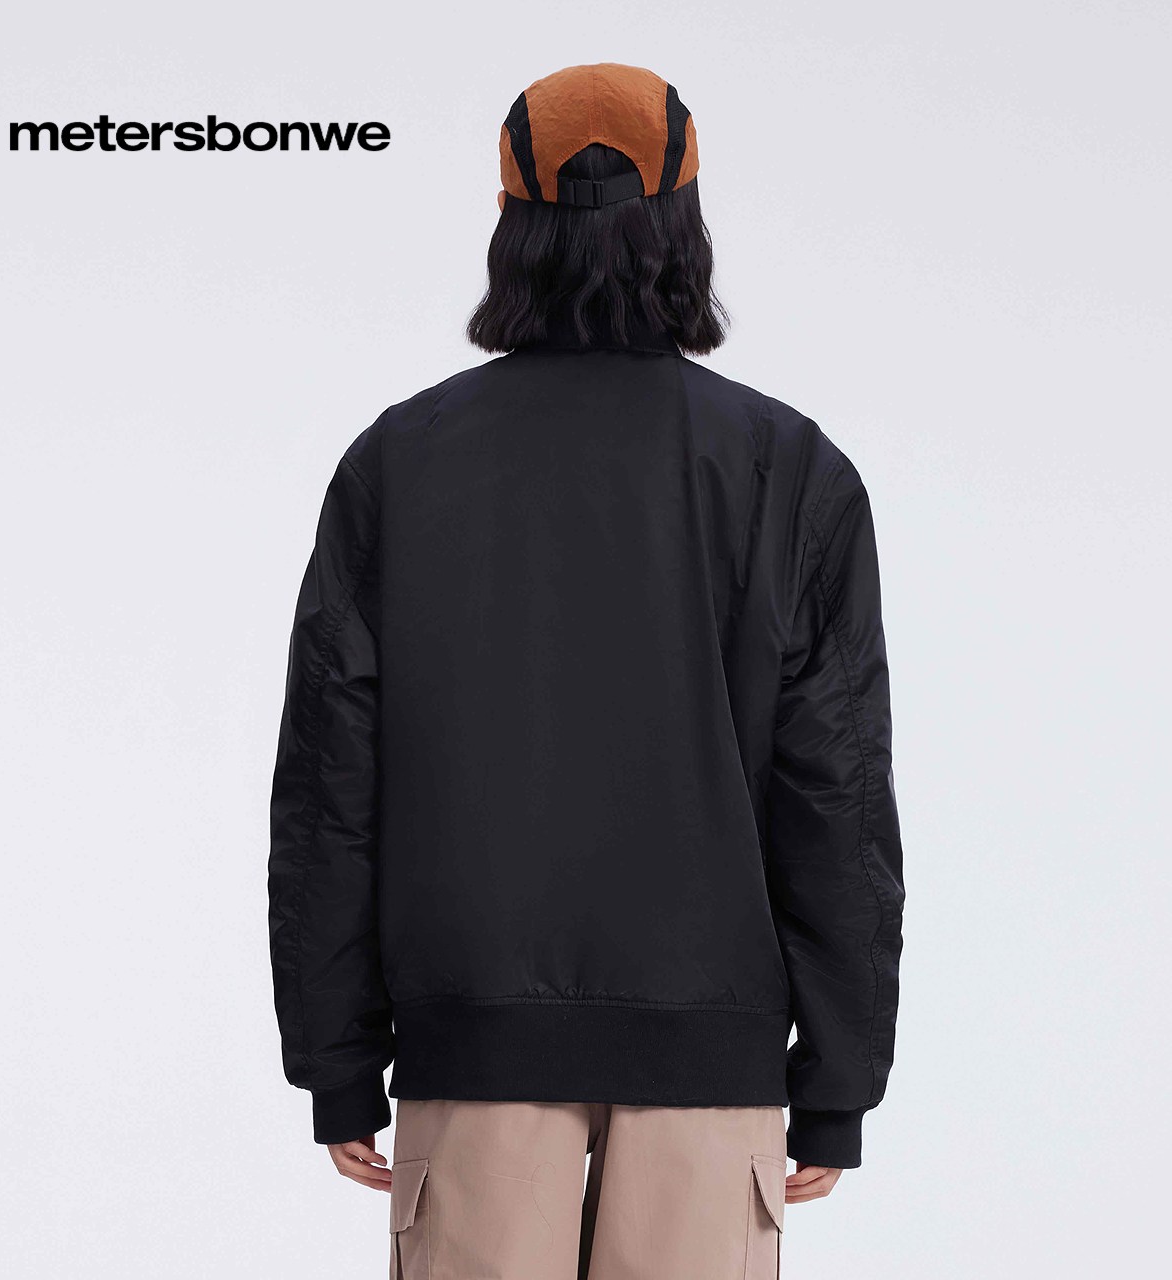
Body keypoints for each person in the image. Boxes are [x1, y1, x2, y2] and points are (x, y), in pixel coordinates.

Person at [267, 61, 906, 1279]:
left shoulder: (400, 463)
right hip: (710, 1072)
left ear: (512, 221)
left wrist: (336, 1058)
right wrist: (835, 1079)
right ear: (686, 218)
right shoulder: (788, 469)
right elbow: (835, 797)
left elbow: (329, 791)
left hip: (471, 1058)